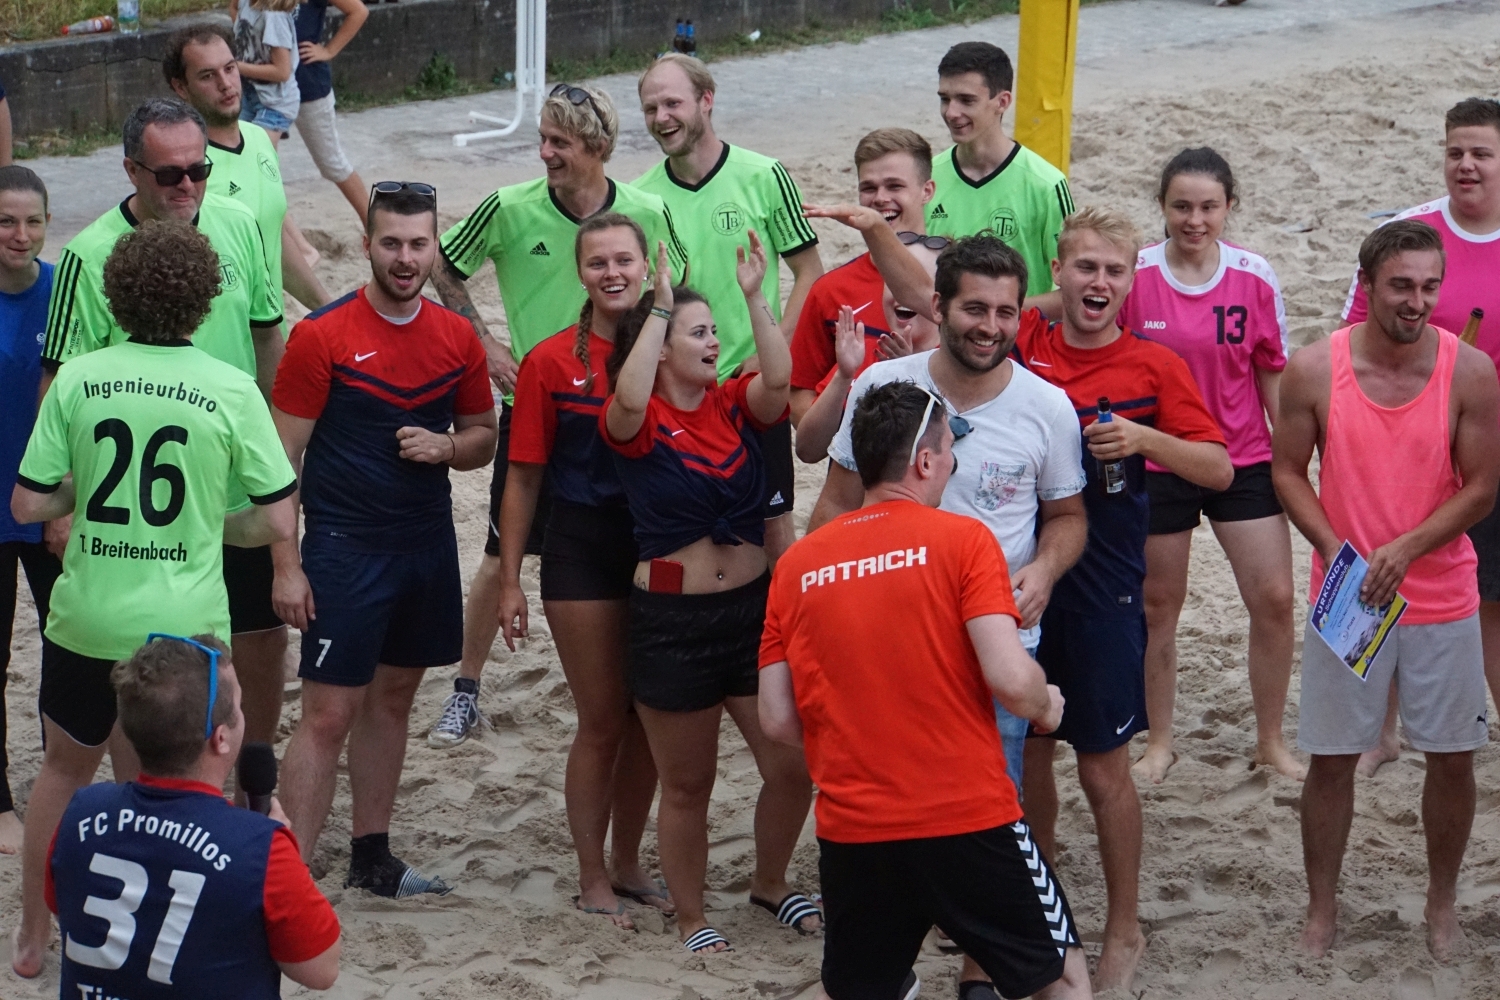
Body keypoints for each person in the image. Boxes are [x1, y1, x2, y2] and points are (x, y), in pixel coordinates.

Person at [10, 219, 299, 978]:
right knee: (174, 792)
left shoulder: (80, 377)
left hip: (87, 615)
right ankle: (160, 937)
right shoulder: (230, 387)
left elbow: (29, 504)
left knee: (63, 774)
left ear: (116, 295)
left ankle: (33, 934)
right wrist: (211, 524)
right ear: (204, 302)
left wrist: (87, 496)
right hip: (183, 628)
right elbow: (276, 517)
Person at [761, 380, 1089, 1000]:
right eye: (950, 454)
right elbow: (1010, 679)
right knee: (1062, 977)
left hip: (855, 826)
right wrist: (1046, 704)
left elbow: (777, 718)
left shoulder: (798, 566)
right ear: (925, 461)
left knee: (863, 990)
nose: (953, 466)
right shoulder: (964, 540)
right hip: (966, 816)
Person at [426, 82, 687, 748]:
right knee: (499, 556)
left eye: (558, 142)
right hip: (537, 407)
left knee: (645, 548)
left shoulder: (647, 211)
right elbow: (441, 265)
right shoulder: (509, 207)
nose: (543, 152)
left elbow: (674, 293)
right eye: (542, 138)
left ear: (597, 147)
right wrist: (485, 342)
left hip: (629, 410)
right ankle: (465, 688)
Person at [1014, 207, 1232, 993]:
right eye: (1084, 267)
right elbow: (959, 303)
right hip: (1018, 583)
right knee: (1027, 756)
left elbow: (1218, 468)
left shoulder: (1153, 366)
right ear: (1059, 274)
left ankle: (1125, 926)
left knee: (1103, 769)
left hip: (1103, 589)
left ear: (1131, 281)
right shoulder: (1024, 344)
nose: (1098, 282)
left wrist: (1146, 441)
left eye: (1113, 270)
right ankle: (1033, 909)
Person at [1273, 219, 1499, 962]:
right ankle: (1321, 910)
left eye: (1430, 287)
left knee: (1453, 755)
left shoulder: (1470, 372)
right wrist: (1333, 549)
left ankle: (1441, 904)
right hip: (1349, 598)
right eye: (1401, 286)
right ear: (1366, 285)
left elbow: (1482, 487)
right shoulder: (1314, 369)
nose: (1416, 302)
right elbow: (1286, 472)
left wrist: (1407, 547)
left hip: (1443, 593)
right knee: (1333, 757)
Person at [272, 182, 498, 895]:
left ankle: (371, 855)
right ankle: (288, 879)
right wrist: (286, 564)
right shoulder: (322, 335)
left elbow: (484, 436)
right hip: (344, 548)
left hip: (425, 545)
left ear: (434, 249)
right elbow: (280, 463)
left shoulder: (456, 336)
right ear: (367, 244)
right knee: (327, 713)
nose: (406, 258)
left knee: (394, 698)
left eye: (419, 244)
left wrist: (447, 448)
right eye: (392, 243)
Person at [600, 236, 818, 951]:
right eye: (699, 333)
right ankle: (693, 916)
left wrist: (755, 298)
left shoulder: (729, 403)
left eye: (713, 331)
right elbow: (629, 395)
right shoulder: (634, 421)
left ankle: (769, 882)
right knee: (688, 784)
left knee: (791, 764)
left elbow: (779, 381)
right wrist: (661, 306)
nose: (713, 343)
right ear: (661, 347)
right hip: (673, 622)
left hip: (751, 614)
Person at [492, 212, 667, 926]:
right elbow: (522, 477)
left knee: (649, 718)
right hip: (582, 549)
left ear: (646, 266)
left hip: (658, 547)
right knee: (601, 720)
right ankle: (592, 874)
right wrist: (509, 579)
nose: (612, 273)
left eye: (623, 260)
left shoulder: (671, 348)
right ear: (580, 272)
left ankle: (627, 861)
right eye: (598, 263)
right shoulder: (549, 361)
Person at [164, 24, 333, 753]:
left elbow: (279, 243)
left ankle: (252, 763)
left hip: (259, 387)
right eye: (207, 75)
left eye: (231, 68)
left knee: (265, 600)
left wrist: (329, 311)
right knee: (199, 603)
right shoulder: (178, 173)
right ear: (181, 88)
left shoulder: (262, 144)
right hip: (196, 405)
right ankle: (195, 749)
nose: (227, 83)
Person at [1116, 148, 1300, 783]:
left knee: (1274, 598)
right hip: (1160, 457)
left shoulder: (1254, 275)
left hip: (1242, 456)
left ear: (1229, 207)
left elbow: (1271, 371)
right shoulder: (1136, 274)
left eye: (1208, 207)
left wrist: (1292, 459)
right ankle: (1160, 741)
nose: (1194, 220)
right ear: (1162, 207)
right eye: (1181, 207)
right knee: (1159, 605)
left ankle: (1270, 741)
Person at [1341, 98, 1500, 777]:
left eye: (1482, 153)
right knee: (1388, 575)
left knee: (1488, 595)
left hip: (1488, 439)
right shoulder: (1410, 233)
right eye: (1455, 151)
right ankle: (1381, 732)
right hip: (1415, 438)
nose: (1466, 164)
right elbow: (1355, 332)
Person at [49, 634, 341, 996]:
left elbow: (65, 908)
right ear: (221, 738)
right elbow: (321, 970)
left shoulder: (81, 813)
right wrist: (286, 860)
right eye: (239, 707)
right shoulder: (260, 849)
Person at [634, 53, 824, 561]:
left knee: (774, 530)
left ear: (706, 100)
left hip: (751, 386)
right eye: (650, 108)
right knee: (688, 533)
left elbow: (811, 272)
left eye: (672, 103)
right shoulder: (641, 198)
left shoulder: (764, 175)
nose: (661, 118)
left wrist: (771, 350)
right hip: (680, 396)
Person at [790, 127, 936, 427]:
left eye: (894, 186)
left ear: (927, 191)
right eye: (868, 188)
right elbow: (800, 393)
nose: (880, 198)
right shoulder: (831, 289)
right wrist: (846, 441)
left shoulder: (957, 279)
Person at [0, 166, 59, 856]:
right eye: (6, 222)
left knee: (64, 648)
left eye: (33, 221)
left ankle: (56, 781)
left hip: (51, 506)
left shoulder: (64, 293)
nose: (20, 235)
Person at [926, 42, 1073, 297]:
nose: (951, 112)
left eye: (966, 100)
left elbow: (1072, 289)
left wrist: (1000, 313)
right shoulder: (926, 178)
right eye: (944, 99)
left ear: (1002, 102)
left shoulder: (1047, 185)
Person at [294, 0, 371, 225]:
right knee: (261, 164)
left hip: (307, 85)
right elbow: (236, 7)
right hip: (265, 85)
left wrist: (329, 50)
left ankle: (374, 226)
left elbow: (358, 11)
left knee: (332, 162)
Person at [233, 0, 302, 145]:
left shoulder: (274, 17)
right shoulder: (245, 3)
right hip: (249, 94)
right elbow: (233, 8)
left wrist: (234, 66)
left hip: (275, 102)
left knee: (255, 152)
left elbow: (282, 72)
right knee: (236, 150)